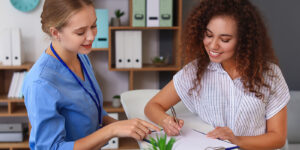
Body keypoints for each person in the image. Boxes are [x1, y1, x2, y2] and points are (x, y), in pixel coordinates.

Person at [144, 0, 290, 149]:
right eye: (209, 35)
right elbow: (152, 106)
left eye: (224, 39)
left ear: (244, 40)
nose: (213, 45)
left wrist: (236, 140)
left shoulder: (270, 75)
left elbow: (278, 137)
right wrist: (165, 120)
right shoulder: (195, 71)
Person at [22, 0, 159, 149]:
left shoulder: (80, 57)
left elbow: (91, 108)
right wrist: (112, 130)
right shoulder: (41, 83)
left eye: (93, 26)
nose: (91, 36)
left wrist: (127, 127)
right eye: (80, 32)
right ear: (55, 33)